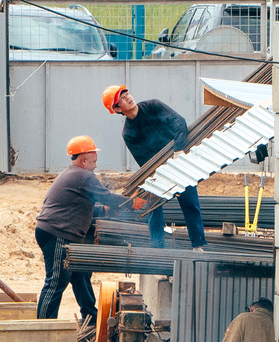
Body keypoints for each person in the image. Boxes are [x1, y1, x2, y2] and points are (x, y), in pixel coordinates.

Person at [103, 82, 207, 250]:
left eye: (126, 93)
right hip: (158, 170)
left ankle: (198, 244)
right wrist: (163, 171)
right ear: (117, 109)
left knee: (190, 202)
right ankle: (157, 248)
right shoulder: (129, 133)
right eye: (121, 98)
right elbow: (145, 160)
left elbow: (179, 122)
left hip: (179, 160)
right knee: (153, 205)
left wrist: (179, 150)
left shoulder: (153, 106)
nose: (128, 97)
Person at [34, 135, 120, 323]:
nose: (96, 165)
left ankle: (90, 316)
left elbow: (79, 206)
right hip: (57, 234)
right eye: (94, 161)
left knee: (81, 274)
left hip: (62, 232)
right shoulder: (83, 175)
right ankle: (42, 329)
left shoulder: (74, 174)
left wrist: (102, 211)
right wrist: (132, 203)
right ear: (83, 159)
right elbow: (109, 198)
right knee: (56, 281)